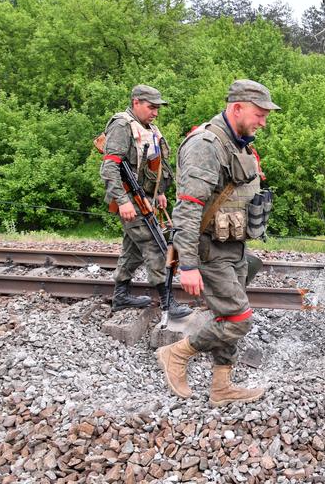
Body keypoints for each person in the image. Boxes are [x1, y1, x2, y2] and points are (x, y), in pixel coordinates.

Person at [156, 79, 278, 407]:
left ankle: (221, 387)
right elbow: (187, 208)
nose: (263, 122)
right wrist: (188, 264)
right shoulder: (206, 145)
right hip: (210, 250)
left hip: (234, 247)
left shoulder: (239, 143)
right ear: (237, 108)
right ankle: (177, 353)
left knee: (227, 316)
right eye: (259, 114)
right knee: (239, 319)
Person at [100, 84, 191, 318]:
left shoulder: (149, 128)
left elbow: (155, 165)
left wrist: (159, 192)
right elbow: (110, 167)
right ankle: (167, 302)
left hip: (145, 197)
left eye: (157, 108)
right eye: (151, 107)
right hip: (130, 198)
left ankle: (120, 296)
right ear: (136, 103)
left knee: (133, 248)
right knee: (155, 244)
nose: (155, 113)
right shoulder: (122, 126)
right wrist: (122, 201)